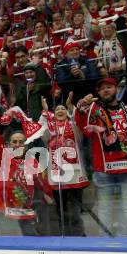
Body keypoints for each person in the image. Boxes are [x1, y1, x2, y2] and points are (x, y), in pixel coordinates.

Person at [75, 78, 127, 236]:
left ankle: (126, 242)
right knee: (104, 209)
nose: (106, 90)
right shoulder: (94, 111)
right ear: (98, 93)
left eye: (109, 87)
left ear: (116, 89)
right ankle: (104, 242)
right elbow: (84, 128)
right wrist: (80, 108)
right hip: (104, 170)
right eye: (102, 88)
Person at [40, 95, 89, 236]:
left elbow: (78, 119)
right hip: (57, 174)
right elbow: (41, 132)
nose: (60, 110)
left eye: (63, 108)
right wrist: (45, 112)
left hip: (75, 172)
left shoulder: (73, 125)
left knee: (75, 209)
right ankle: (64, 235)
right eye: (57, 109)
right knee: (60, 209)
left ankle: (79, 235)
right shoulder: (50, 127)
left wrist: (70, 107)